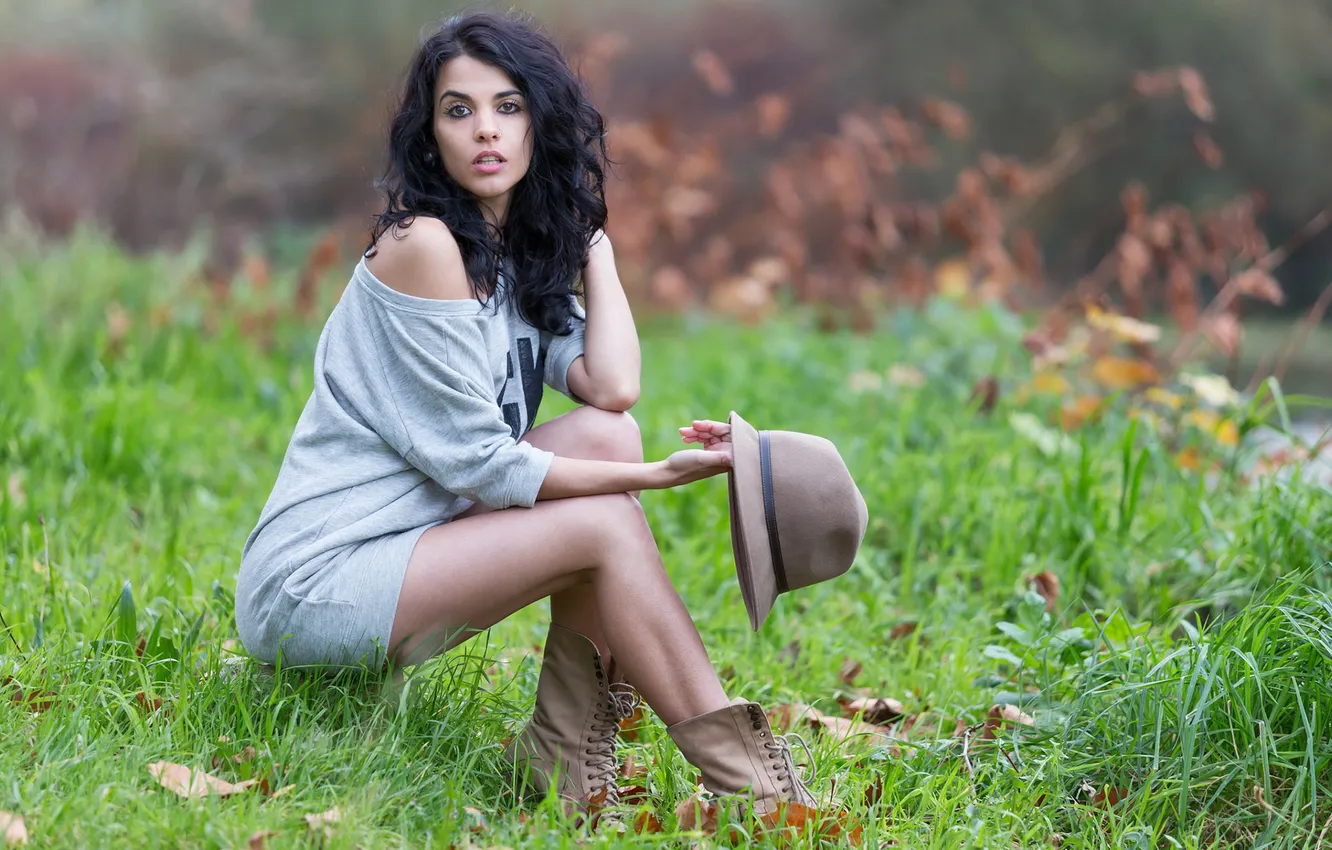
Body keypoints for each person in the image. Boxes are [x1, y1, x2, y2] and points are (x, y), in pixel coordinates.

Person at [235, 9, 815, 823]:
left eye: (509, 107)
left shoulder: (509, 257)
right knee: (603, 522)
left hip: (406, 546)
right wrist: (656, 478)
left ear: (542, 123)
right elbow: (485, 468)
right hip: (317, 581)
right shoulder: (424, 245)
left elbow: (612, 389)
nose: (486, 131)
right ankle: (750, 783)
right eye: (459, 109)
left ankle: (563, 757)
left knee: (608, 437)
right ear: (428, 132)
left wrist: (590, 239)